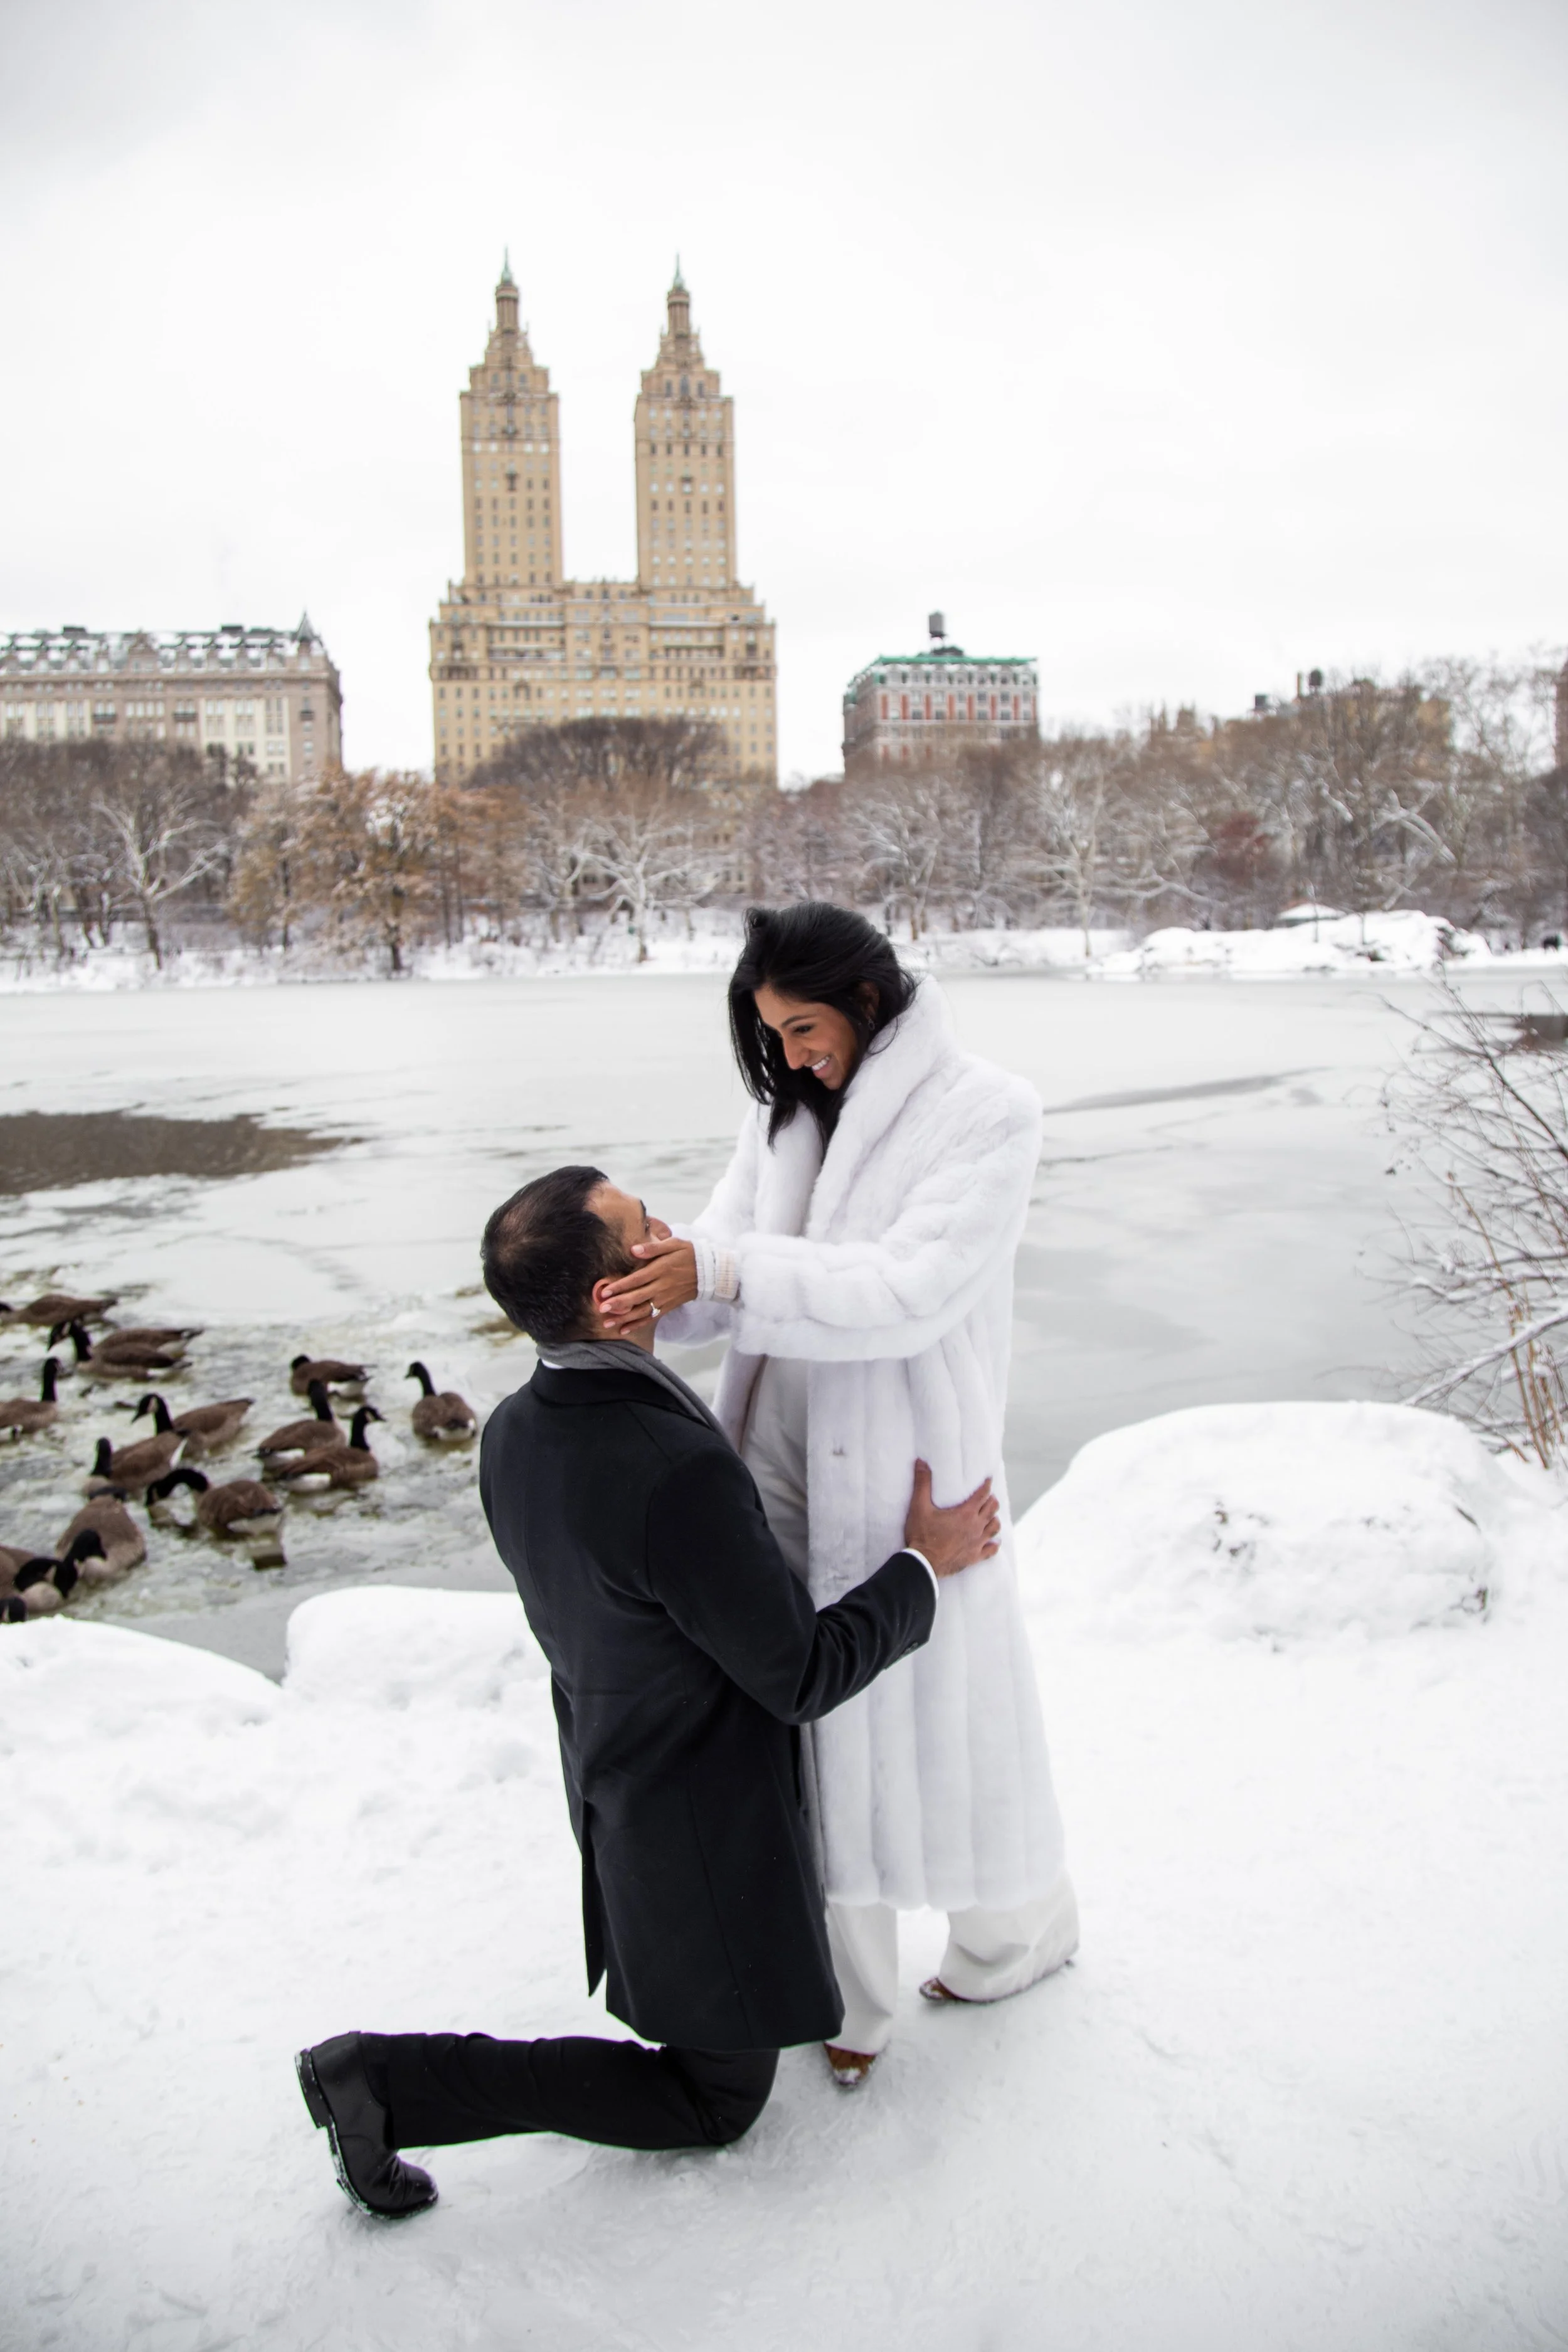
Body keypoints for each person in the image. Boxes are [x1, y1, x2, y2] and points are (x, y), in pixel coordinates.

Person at [295, 1164, 1000, 2218]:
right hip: (698, 1820)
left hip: (617, 1776)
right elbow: (801, 1671)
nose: (670, 1232)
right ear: (608, 1297)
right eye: (641, 1228)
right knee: (716, 2099)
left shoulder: (516, 1430)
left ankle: (382, 2078)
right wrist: (921, 1565)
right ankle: (381, 2081)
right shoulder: (672, 1467)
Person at [600, 902, 1078, 2084]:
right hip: (775, 1458)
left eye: (803, 1029)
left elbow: (910, 1288)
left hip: (911, 1468)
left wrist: (723, 1268)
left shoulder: (989, 1114)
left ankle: (1014, 1934)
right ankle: (850, 1998)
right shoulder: (782, 1117)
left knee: (948, 1722)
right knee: (807, 1728)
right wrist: (659, 1288)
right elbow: (726, 1253)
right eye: (772, 1037)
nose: (792, 1056)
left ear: (866, 997)